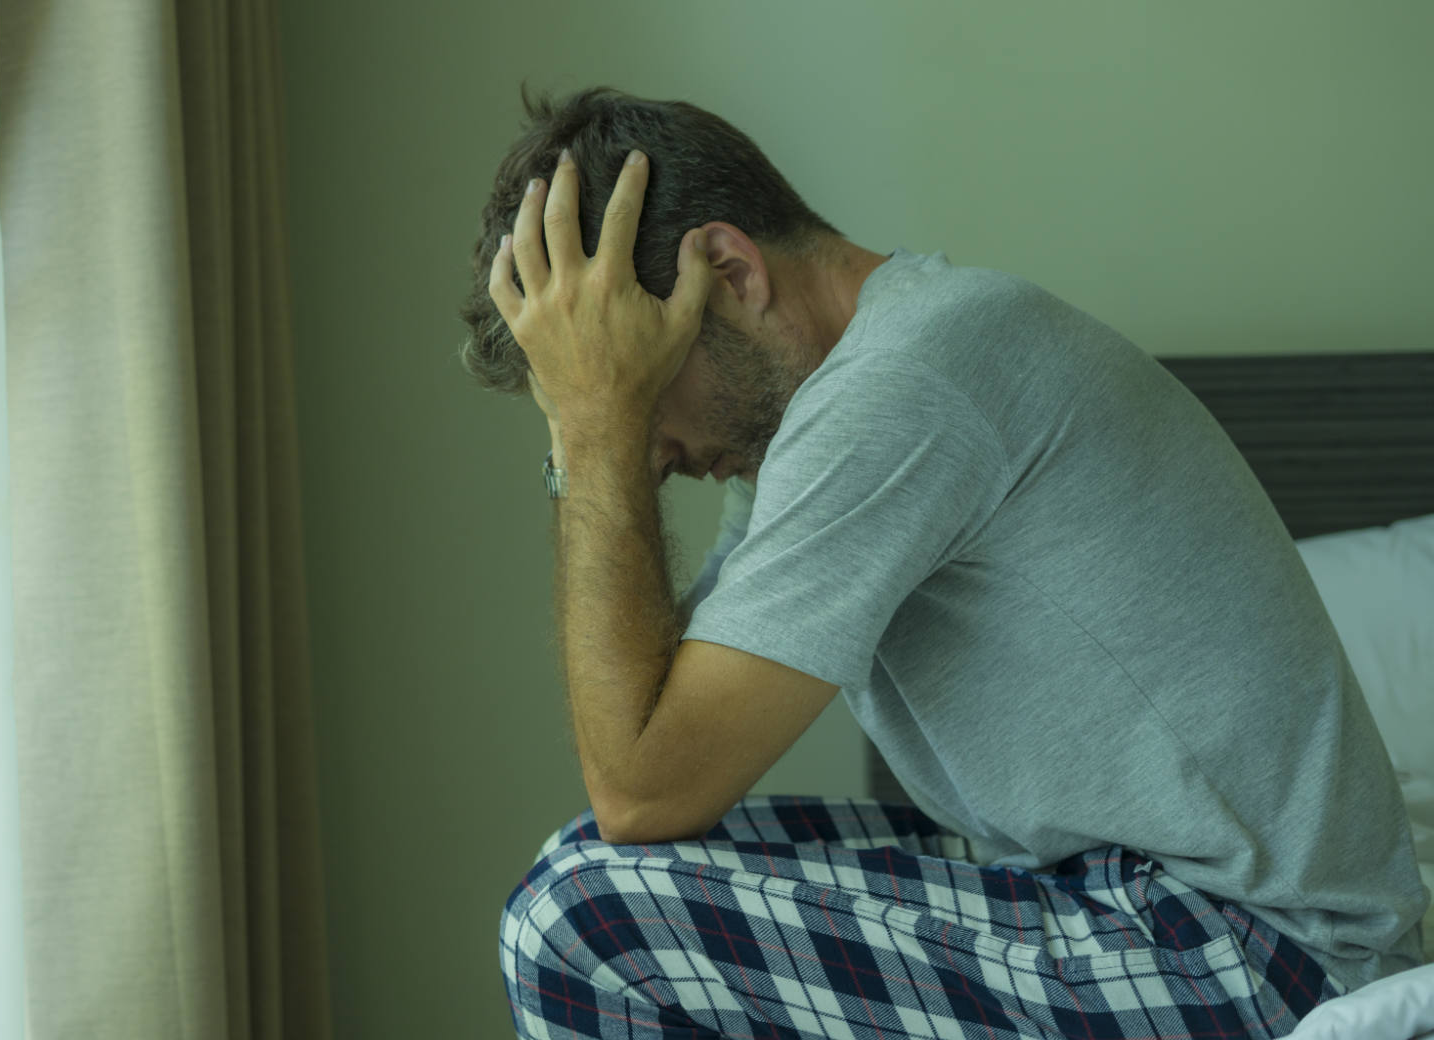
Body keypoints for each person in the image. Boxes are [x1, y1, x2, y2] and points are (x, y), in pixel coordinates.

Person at [458, 85, 1428, 1040]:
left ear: (730, 270)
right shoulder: (840, 403)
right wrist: (591, 424)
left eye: (636, 380)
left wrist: (595, 436)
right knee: (587, 863)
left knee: (580, 923)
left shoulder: (906, 383)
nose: (652, 453)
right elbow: (648, 763)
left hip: (1257, 953)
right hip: (1119, 897)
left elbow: (644, 782)